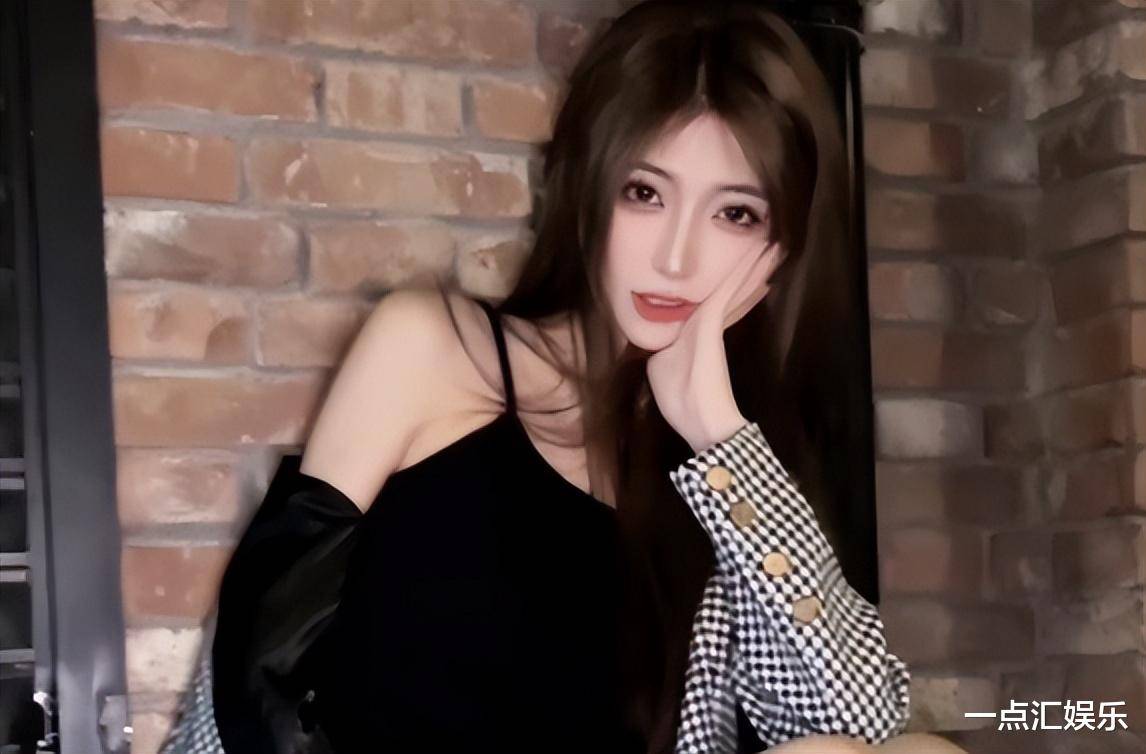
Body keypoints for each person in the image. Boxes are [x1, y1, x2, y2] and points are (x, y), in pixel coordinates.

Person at [158, 2, 971, 753]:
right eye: (645, 193)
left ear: (780, 249)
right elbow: (258, 676)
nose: (677, 257)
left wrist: (718, 433)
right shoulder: (436, 352)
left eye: (735, 213)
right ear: (588, 187)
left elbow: (859, 723)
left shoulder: (726, 480)